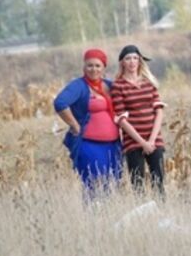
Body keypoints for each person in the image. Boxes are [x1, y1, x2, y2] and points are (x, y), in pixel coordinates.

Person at [54, 49, 122, 189]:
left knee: (112, 184)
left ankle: (110, 211)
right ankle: (94, 211)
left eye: (98, 66)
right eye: (89, 65)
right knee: (94, 184)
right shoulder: (79, 86)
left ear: (104, 67)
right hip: (89, 144)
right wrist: (74, 125)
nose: (93, 69)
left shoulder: (109, 85)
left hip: (113, 144)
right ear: (84, 67)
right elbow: (60, 103)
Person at [111, 45, 166, 194]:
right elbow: (121, 119)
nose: (132, 62)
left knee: (159, 181)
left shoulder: (149, 82)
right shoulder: (118, 86)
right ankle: (142, 216)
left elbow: (159, 112)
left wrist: (152, 141)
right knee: (138, 183)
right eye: (128, 58)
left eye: (135, 58)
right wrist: (142, 143)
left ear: (140, 61)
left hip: (154, 139)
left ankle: (161, 213)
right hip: (133, 141)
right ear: (122, 62)